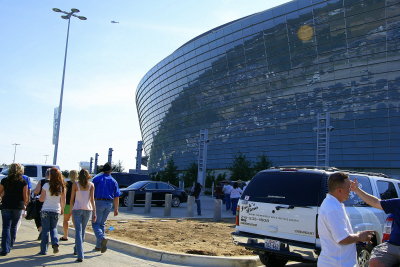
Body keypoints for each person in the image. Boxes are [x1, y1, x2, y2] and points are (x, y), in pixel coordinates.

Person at [317, 172, 374, 267]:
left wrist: (357, 237)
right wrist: (360, 236)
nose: (351, 190)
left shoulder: (333, 204)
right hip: (337, 264)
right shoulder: (333, 208)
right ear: (339, 190)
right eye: (348, 188)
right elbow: (342, 239)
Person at [350, 178, 400, 267]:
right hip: (392, 246)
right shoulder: (398, 203)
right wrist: (356, 190)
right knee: (375, 261)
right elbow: (376, 202)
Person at [92, 163, 121, 253]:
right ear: (111, 171)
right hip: (109, 203)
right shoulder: (114, 181)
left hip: (98, 202)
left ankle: (102, 238)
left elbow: (91, 192)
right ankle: (99, 246)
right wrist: (116, 209)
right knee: (102, 224)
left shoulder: (96, 179)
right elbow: (116, 196)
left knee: (95, 224)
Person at [0, 163, 28, 256]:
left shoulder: (5, 180)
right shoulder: (23, 181)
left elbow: (0, 192)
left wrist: (2, 197)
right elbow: (25, 197)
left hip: (6, 205)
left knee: (6, 227)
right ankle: (10, 244)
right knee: (13, 226)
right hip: (18, 206)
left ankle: (4, 248)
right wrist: (25, 205)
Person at [70, 169, 96, 262]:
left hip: (77, 209)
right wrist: (94, 212)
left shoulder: (75, 184)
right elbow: (92, 200)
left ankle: (80, 254)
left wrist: (70, 210)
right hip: (88, 210)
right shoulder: (91, 185)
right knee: (82, 231)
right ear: (88, 175)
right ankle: (77, 249)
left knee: (78, 231)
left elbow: (72, 199)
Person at [39, 168, 65, 255]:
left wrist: (39, 198)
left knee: (45, 230)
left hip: (46, 209)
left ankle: (43, 250)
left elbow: (41, 199)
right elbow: (63, 201)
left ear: (50, 175)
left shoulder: (46, 185)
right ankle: (55, 243)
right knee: (53, 228)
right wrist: (63, 210)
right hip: (56, 210)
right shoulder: (61, 186)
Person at [60, 170, 78, 241]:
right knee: (75, 222)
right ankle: (77, 237)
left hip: (67, 204)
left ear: (69, 175)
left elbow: (64, 194)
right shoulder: (78, 184)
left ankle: (65, 235)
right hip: (76, 205)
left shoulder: (66, 183)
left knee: (66, 220)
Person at [33, 168, 50, 240]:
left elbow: (36, 191)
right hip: (51, 203)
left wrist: (32, 191)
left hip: (41, 202)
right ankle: (46, 232)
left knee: (37, 217)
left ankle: (41, 230)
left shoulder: (42, 181)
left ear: (46, 174)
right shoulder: (56, 183)